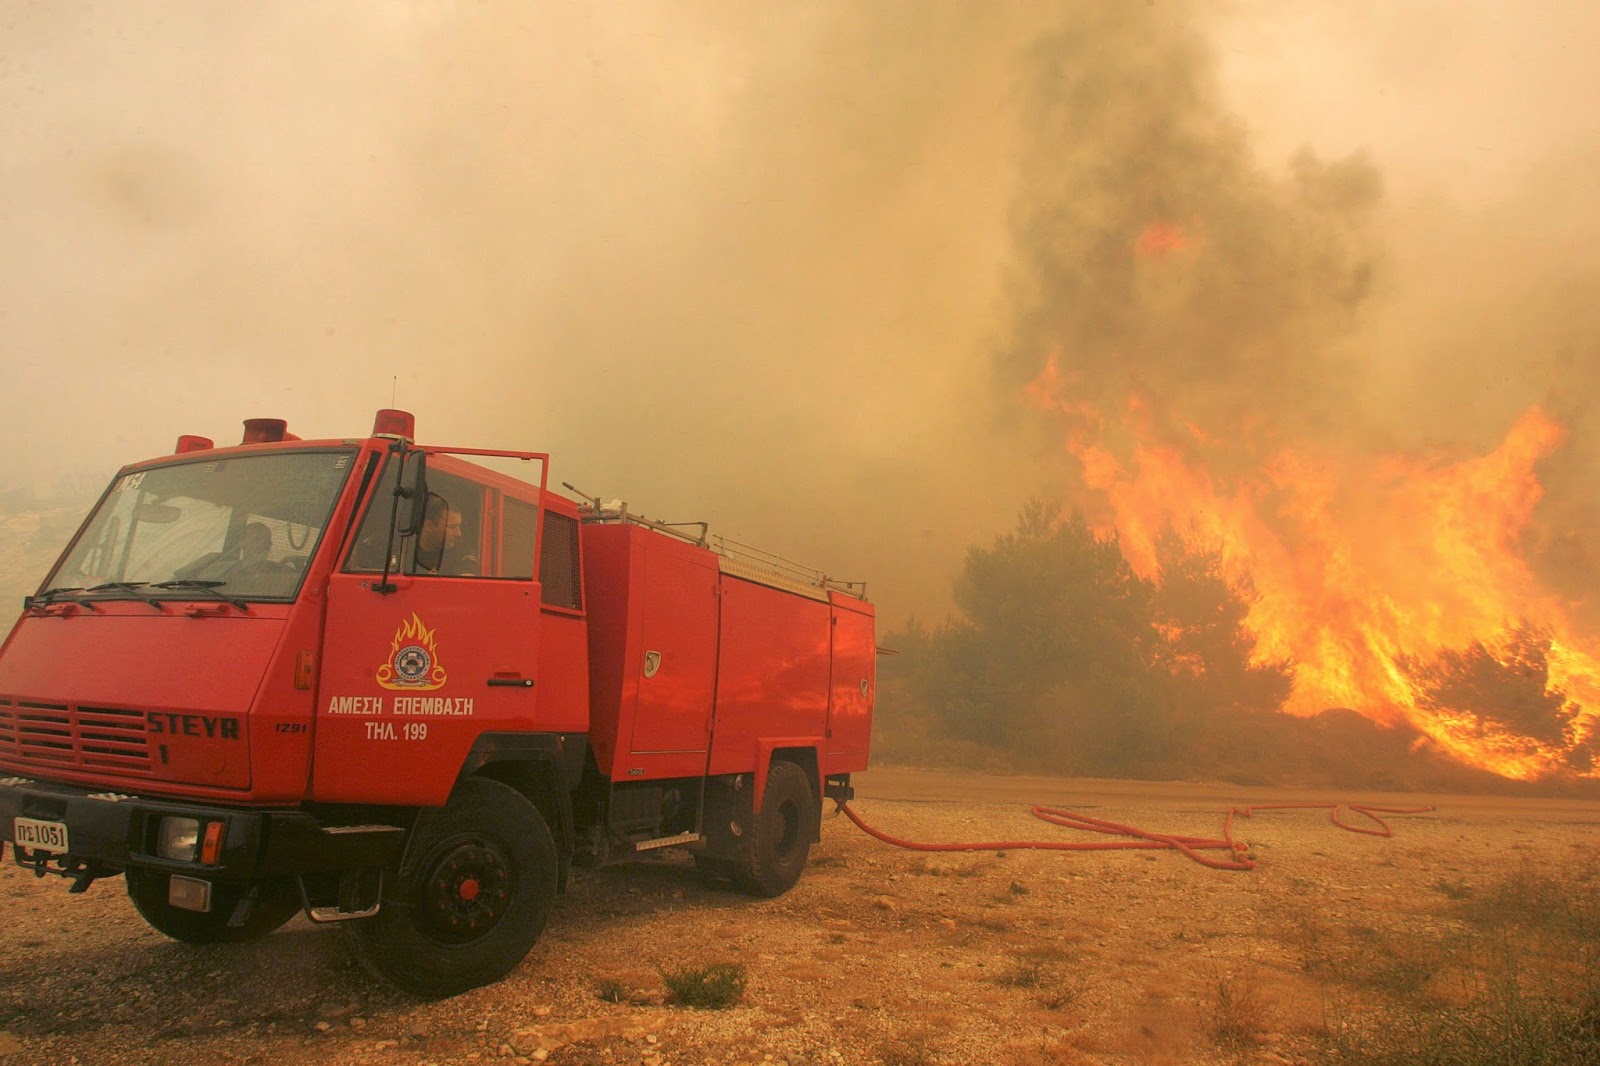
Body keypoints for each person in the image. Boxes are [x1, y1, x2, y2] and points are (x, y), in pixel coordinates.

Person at [176, 522, 275, 581]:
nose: (264, 544)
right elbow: (179, 580)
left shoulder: (280, 573)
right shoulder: (219, 566)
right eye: (256, 539)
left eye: (266, 541)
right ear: (242, 543)